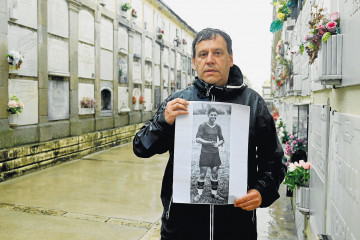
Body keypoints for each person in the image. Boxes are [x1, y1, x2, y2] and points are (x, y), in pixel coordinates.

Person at [133, 28, 285, 239]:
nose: (210, 60)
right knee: (203, 174)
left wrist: (262, 191)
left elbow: (274, 160)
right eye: (203, 54)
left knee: (214, 174)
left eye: (218, 53)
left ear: (230, 59)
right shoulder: (178, 102)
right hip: (181, 229)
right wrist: (163, 122)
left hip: (236, 229)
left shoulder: (253, 103)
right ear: (194, 63)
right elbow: (141, 147)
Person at [194, 107, 225, 203]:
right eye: (211, 115)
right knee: (202, 174)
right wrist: (208, 142)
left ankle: (214, 193)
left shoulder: (218, 127)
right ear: (208, 115)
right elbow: (198, 138)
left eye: (215, 115)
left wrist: (218, 144)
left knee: (215, 174)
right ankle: (199, 194)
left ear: (217, 116)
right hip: (205, 153)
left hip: (215, 154)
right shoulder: (202, 125)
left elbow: (222, 139)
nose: (213, 116)